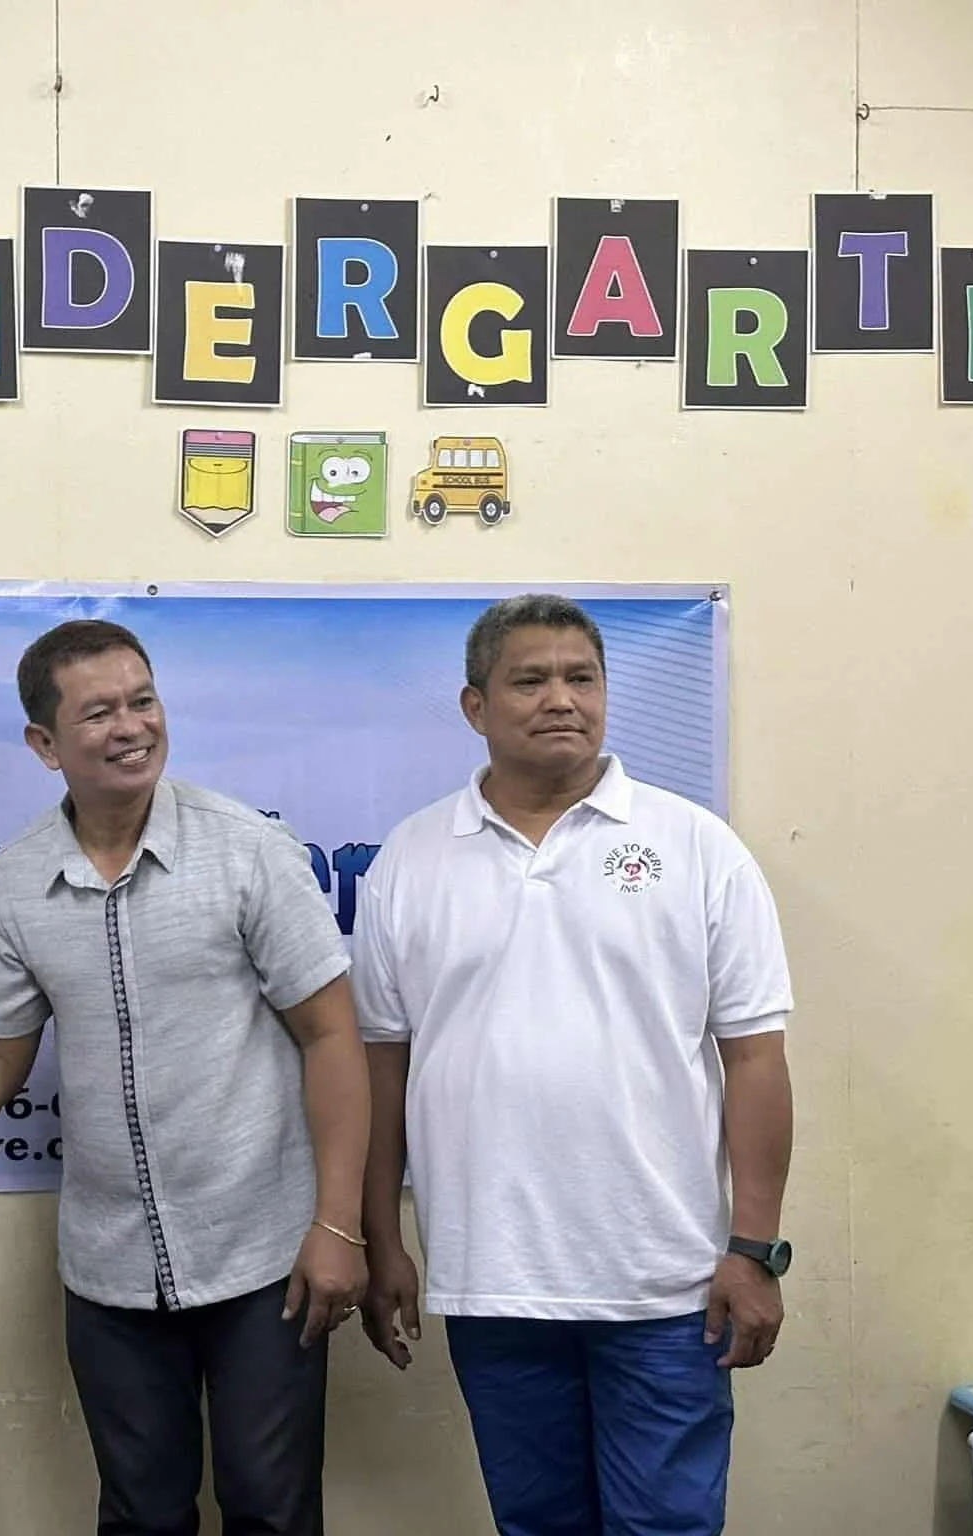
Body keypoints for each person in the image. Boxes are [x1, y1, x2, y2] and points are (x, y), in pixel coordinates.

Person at [0, 618, 370, 1536]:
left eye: (143, 701)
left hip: (264, 1259)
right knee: (139, 1514)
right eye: (99, 713)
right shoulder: (16, 881)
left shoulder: (248, 850)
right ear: (45, 745)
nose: (132, 726)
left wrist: (338, 1225)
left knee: (271, 1509)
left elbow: (333, 1038)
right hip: (110, 1274)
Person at [351, 593, 795, 1536]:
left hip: (668, 1284)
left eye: (582, 677)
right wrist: (384, 1242)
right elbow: (382, 1067)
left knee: (665, 1527)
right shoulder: (411, 858)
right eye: (531, 679)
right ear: (476, 707)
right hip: (491, 1276)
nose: (562, 698)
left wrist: (754, 1250)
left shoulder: (696, 848)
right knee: (536, 1524)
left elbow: (755, 1058)